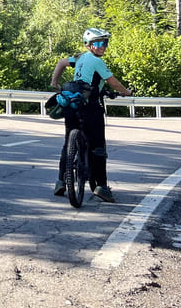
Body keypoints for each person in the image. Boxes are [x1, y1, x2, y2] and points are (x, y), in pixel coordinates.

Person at [50, 27, 132, 202]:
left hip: (72, 104)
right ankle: (101, 186)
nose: (103, 47)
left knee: (67, 143)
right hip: (91, 107)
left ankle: (60, 182)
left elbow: (61, 63)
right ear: (89, 45)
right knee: (98, 146)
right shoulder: (97, 61)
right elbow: (113, 82)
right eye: (99, 43)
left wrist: (54, 82)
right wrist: (125, 92)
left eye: (105, 43)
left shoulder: (79, 58)